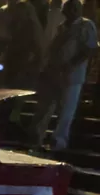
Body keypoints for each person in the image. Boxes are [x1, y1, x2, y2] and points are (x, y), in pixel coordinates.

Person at [29, 0, 98, 151]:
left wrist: (71, 65)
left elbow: (89, 49)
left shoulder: (86, 25)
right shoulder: (61, 27)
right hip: (54, 74)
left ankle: (58, 142)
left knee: (66, 111)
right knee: (46, 108)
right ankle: (37, 138)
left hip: (73, 76)